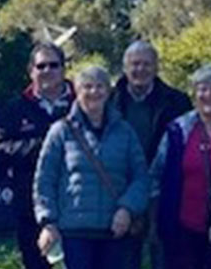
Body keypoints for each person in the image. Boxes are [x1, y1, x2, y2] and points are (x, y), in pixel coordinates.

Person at [35, 65, 150, 269]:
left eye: (100, 87)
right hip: (73, 234)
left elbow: (141, 177)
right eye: (87, 87)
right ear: (77, 92)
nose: (94, 92)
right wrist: (47, 222)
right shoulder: (60, 131)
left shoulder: (125, 132)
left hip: (115, 232)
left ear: (108, 92)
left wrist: (127, 208)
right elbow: (45, 180)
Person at [149, 65, 211, 269]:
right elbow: (156, 175)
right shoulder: (178, 131)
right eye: (202, 89)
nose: (208, 95)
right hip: (182, 231)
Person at [0, 42, 75, 269]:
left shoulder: (82, 104)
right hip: (30, 205)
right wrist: (42, 146)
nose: (47, 71)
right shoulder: (15, 107)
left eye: (53, 65)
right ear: (31, 71)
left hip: (76, 205)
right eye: (41, 66)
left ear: (64, 69)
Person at [110, 40, 191, 269]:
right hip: (121, 190)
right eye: (135, 64)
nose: (140, 70)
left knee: (163, 257)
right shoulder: (109, 101)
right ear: (125, 67)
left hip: (163, 192)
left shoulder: (177, 102)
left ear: (156, 67)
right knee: (124, 260)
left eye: (147, 64)